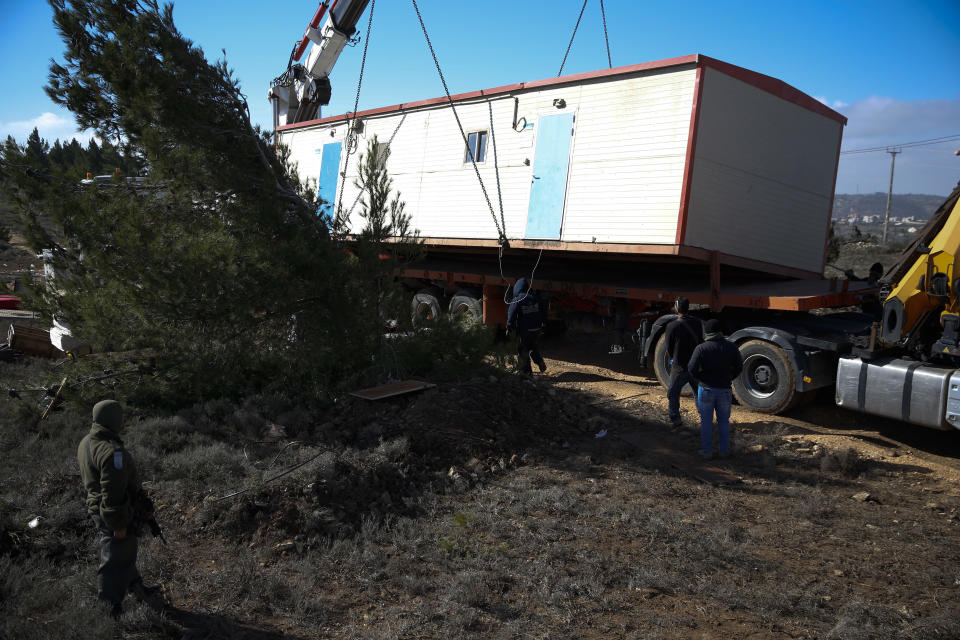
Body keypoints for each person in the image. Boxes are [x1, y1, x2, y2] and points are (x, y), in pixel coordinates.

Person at [77, 399, 158, 618]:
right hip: (112, 513)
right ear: (112, 419)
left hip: (99, 509)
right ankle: (109, 610)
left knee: (125, 551)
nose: (124, 420)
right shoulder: (112, 452)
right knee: (114, 558)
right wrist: (119, 524)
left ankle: (137, 588)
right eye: (121, 416)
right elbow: (113, 493)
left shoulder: (87, 441)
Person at [688, 319, 743, 460]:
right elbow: (739, 367)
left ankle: (707, 452)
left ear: (707, 332)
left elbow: (691, 369)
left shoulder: (701, 348)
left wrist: (702, 378)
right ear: (720, 331)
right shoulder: (731, 347)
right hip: (724, 390)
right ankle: (723, 451)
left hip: (706, 389)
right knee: (723, 422)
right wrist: (729, 377)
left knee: (706, 422)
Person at [663, 296, 702, 426]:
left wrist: (673, 359)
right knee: (698, 393)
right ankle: (704, 417)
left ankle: (676, 419)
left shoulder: (672, 326)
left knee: (673, 394)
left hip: (679, 366)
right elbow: (701, 342)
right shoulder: (697, 322)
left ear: (676, 308)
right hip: (695, 366)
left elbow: (669, 347)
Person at [506, 277, 547, 374]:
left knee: (523, 350)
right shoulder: (535, 298)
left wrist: (509, 327)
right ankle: (540, 362)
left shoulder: (517, 300)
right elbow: (543, 311)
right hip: (536, 329)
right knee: (532, 347)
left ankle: (527, 374)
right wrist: (543, 322)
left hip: (524, 330)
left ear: (517, 288)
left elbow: (511, 315)